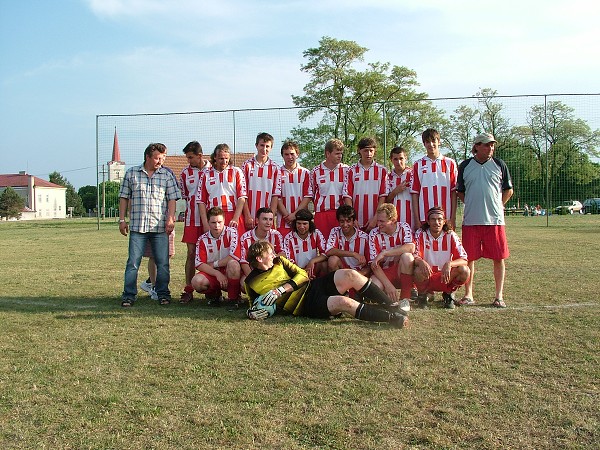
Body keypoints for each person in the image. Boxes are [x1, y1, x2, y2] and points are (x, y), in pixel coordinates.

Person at [244, 241, 408, 328]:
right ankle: (392, 318)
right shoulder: (250, 282)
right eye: (269, 252)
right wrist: (252, 313)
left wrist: (280, 290)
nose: (274, 253)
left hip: (313, 286)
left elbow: (303, 275)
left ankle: (392, 305)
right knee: (344, 302)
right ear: (259, 259)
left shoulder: (280, 261)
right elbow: (253, 306)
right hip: (306, 305)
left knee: (350, 274)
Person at [118, 143, 181, 307]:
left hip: (159, 227)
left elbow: (172, 198)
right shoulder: (132, 173)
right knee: (133, 263)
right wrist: (122, 219)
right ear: (147, 157)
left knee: (163, 263)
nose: (160, 161)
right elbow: (124, 197)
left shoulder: (166, 175)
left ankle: (163, 293)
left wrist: (171, 219)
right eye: (157, 158)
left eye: (162, 158)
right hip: (137, 228)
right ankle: (129, 295)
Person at [457, 132, 513, 308]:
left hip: (495, 221)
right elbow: (460, 191)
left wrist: (498, 205)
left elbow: (508, 190)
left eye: (492, 145)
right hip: (471, 221)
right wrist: (474, 204)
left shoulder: (499, 165)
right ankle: (468, 295)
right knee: (469, 259)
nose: (491, 148)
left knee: (499, 258)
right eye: (487, 144)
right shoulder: (465, 166)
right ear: (477, 146)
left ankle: (499, 296)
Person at [412, 206, 470, 309]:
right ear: (428, 221)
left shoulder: (451, 235)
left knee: (464, 270)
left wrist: (449, 264)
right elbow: (414, 254)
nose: (436, 222)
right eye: (433, 219)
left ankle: (448, 294)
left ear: (444, 221)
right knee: (417, 269)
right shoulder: (421, 234)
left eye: (439, 219)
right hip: (427, 275)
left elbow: (464, 259)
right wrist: (420, 262)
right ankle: (423, 295)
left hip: (445, 276)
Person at [179, 140, 211, 303]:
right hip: (192, 220)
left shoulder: (212, 170)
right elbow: (186, 196)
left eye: (191, 157)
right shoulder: (185, 173)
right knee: (191, 254)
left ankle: (213, 290)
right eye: (187, 157)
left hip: (211, 220)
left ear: (200, 155)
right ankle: (188, 289)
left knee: (212, 254)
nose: (189, 161)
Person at [191, 206, 242, 307]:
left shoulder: (232, 233)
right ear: (208, 223)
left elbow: (234, 257)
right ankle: (215, 296)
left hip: (229, 272)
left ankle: (233, 299)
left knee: (233, 264)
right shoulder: (202, 239)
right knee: (197, 281)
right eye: (213, 222)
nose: (217, 226)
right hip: (213, 274)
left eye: (220, 222)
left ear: (224, 221)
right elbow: (199, 264)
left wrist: (214, 264)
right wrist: (216, 274)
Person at [410, 129, 458, 231]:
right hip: (425, 216)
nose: (431, 144)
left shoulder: (450, 163)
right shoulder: (418, 165)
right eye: (427, 142)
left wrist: (453, 217)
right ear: (424, 144)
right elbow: (415, 193)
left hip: (445, 217)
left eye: (433, 141)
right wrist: (417, 219)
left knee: (446, 245)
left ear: (439, 142)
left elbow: (454, 192)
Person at [369, 203, 415, 305]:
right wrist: (388, 285)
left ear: (393, 220)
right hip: (383, 272)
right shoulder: (373, 234)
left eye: (382, 221)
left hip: (400, 270)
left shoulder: (404, 227)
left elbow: (411, 247)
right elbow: (374, 265)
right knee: (374, 287)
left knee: (407, 257)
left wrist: (385, 253)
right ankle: (388, 296)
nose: (378, 224)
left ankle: (405, 298)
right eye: (378, 220)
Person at [196, 143, 247, 236]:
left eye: (226, 158)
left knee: (236, 248)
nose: (224, 161)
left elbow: (242, 197)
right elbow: (201, 201)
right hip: (214, 217)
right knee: (216, 248)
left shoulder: (236, 172)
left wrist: (236, 218)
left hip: (233, 214)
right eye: (221, 158)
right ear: (215, 157)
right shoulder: (205, 174)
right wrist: (205, 223)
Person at [343, 137, 387, 232]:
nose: (369, 154)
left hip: (375, 219)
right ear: (359, 150)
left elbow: (383, 196)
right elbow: (347, 196)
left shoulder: (382, 170)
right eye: (365, 150)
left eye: (371, 150)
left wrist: (376, 217)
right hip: (356, 220)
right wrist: (352, 217)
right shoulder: (351, 170)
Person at [310, 138, 349, 241]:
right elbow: (312, 193)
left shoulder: (346, 170)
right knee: (324, 246)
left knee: (340, 244)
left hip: (339, 213)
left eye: (341, 153)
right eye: (337, 153)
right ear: (328, 153)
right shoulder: (316, 171)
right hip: (322, 214)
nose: (340, 156)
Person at [242, 132, 282, 230]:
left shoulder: (275, 168)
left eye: (267, 146)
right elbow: (242, 193)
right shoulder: (246, 165)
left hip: (266, 217)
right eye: (262, 145)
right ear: (256, 146)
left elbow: (275, 195)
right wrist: (247, 215)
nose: (264, 149)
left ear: (271, 148)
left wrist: (270, 218)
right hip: (249, 216)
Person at [239, 207, 285, 286]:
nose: (268, 222)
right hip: (253, 271)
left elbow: (283, 254)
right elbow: (244, 262)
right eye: (264, 219)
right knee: (244, 283)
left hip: (272, 270)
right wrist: (254, 278)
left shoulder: (276, 235)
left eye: (270, 219)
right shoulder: (245, 237)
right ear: (257, 220)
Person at [277, 141, 313, 236]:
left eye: (292, 154)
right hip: (283, 221)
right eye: (286, 154)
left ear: (297, 154)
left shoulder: (305, 173)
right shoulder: (277, 173)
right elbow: (277, 197)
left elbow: (308, 196)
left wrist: (295, 215)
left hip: (301, 220)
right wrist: (287, 216)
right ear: (282, 156)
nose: (289, 157)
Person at [325, 205, 371, 276]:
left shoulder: (364, 237)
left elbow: (370, 264)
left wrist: (359, 275)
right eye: (342, 221)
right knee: (332, 260)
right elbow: (329, 251)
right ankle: (335, 285)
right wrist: (353, 254)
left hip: (358, 273)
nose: (345, 225)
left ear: (354, 221)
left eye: (348, 221)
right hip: (342, 270)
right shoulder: (335, 231)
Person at [282, 208, 327, 279]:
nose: (301, 227)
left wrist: (312, 261)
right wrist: (303, 273)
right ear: (295, 223)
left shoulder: (316, 233)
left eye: (305, 224)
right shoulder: (289, 238)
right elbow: (289, 261)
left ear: (310, 224)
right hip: (297, 272)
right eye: (299, 223)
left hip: (313, 269)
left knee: (324, 264)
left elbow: (325, 253)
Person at [386, 146, 413, 229]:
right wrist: (395, 191)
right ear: (391, 160)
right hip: (394, 218)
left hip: (411, 217)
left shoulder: (413, 174)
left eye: (401, 158)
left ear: (406, 158)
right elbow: (385, 200)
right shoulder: (387, 177)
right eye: (395, 159)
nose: (399, 162)